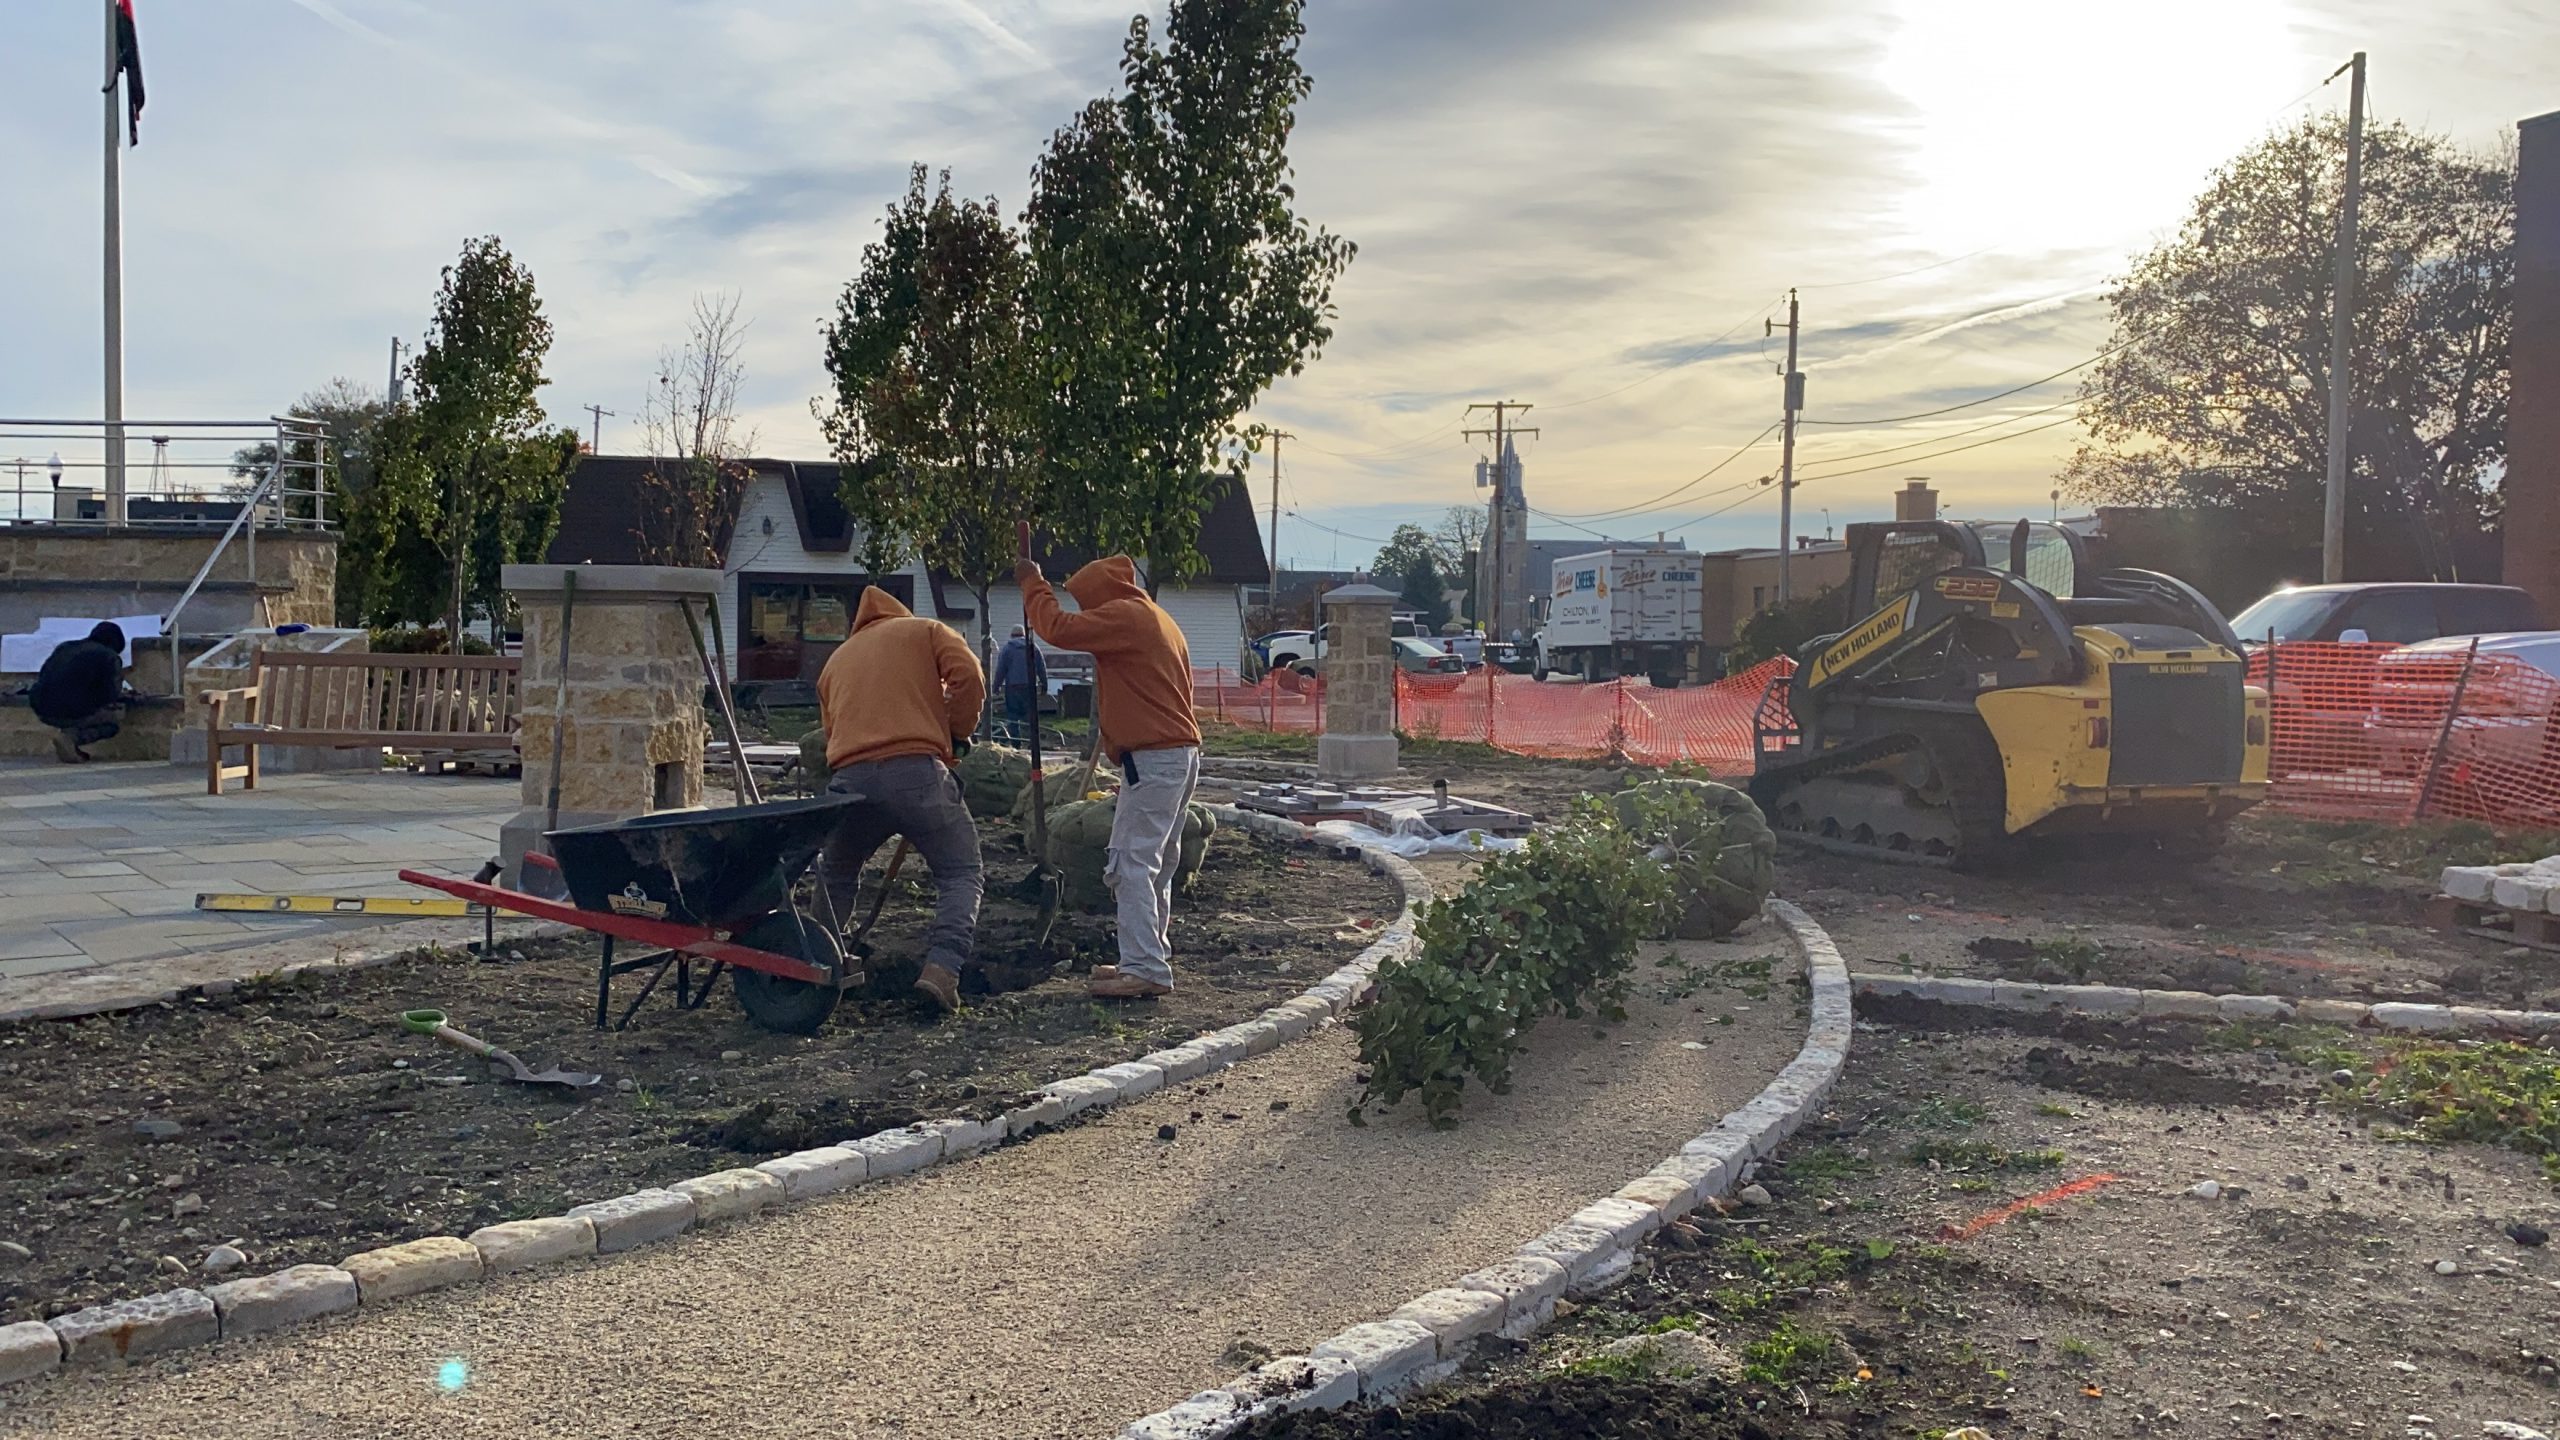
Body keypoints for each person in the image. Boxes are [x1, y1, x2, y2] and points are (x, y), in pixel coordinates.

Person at [1016, 538, 1200, 1000]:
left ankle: (1145, 968)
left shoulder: (1125, 615)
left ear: (1102, 593)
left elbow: (1056, 627)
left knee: (1131, 863)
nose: (1087, 611)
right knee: (1156, 865)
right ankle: (1147, 956)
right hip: (1176, 753)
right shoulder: (1158, 619)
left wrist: (1031, 583)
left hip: (1155, 758)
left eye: (1087, 601)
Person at [813, 588, 987, 1014]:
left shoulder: (836, 661)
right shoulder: (925, 630)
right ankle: (941, 971)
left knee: (835, 873)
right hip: (917, 774)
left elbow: (830, 733)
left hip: (849, 779)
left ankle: (817, 967)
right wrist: (955, 734)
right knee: (960, 871)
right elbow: (969, 676)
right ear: (899, 613)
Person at [29, 621, 128, 764]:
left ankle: (71, 746)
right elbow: (110, 693)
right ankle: (71, 738)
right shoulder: (109, 657)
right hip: (72, 709)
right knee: (113, 721)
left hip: (41, 706)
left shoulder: (66, 647)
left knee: (75, 705)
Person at [992, 624, 1045, 742]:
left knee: (1013, 715)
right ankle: (1033, 743)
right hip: (1030, 687)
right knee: (1031, 717)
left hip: (1013, 687)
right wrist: (1044, 685)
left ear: (1011, 636)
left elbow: (1000, 670)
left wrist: (996, 687)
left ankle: (1016, 743)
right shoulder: (1033, 648)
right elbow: (1041, 668)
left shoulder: (1007, 649)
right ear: (1024, 635)